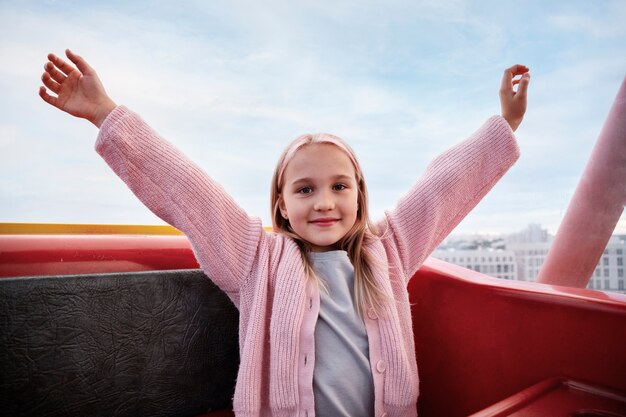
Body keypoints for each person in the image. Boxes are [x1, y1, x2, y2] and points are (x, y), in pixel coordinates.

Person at [39, 49, 530, 417]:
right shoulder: (257, 259)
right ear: (282, 204)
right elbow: (187, 190)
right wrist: (106, 113)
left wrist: (504, 124)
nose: (324, 202)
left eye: (340, 186)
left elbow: (444, 188)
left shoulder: (390, 251)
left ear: (359, 194)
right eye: (304, 189)